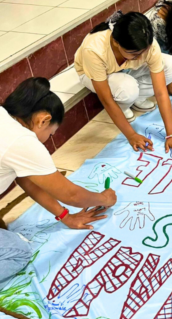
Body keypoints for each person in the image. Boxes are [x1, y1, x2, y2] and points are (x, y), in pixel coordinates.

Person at [0, 78, 117, 284]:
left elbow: (26, 180)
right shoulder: (22, 141)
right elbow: (71, 195)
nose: (49, 137)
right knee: (18, 252)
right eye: (51, 133)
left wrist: (65, 217)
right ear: (43, 120)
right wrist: (105, 199)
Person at [75, 12, 172, 156]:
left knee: (171, 65)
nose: (142, 57)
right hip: (93, 75)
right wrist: (131, 135)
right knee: (127, 88)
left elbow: (161, 92)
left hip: (125, 69)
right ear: (116, 43)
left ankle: (135, 98)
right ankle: (124, 104)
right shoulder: (94, 49)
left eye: (145, 52)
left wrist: (171, 134)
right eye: (135, 54)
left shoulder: (147, 44)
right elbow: (106, 100)